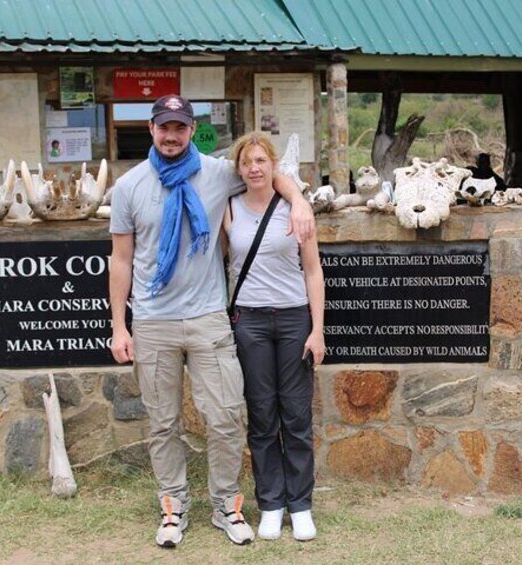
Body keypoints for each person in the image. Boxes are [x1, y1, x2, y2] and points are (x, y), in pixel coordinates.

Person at [108, 95, 314, 548]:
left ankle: (226, 504)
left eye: (180, 128)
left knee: (224, 418)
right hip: (153, 320)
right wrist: (119, 327)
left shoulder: (217, 172)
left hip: (208, 318)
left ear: (191, 131)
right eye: (165, 127)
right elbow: (120, 259)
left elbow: (264, 172)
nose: (172, 135)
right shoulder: (129, 187)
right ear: (152, 128)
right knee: (163, 423)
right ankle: (173, 506)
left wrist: (297, 200)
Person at [223, 133, 325, 541]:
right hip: (250, 322)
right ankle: (270, 503)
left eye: (261, 160)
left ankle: (300, 505)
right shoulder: (229, 209)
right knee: (262, 415)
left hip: (293, 319)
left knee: (296, 416)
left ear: (273, 165)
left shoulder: (296, 211)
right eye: (247, 161)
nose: (254, 168)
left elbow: (314, 271)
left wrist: (317, 330)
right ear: (239, 168)